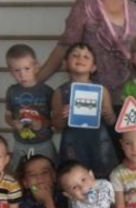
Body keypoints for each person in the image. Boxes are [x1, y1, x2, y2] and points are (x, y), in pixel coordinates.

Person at [38, 0, 136, 124]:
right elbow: (65, 46)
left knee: (129, 141)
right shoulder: (85, 5)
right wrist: (36, 80)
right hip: (92, 94)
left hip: (131, 94)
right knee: (98, 140)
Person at [51, 43, 119, 179]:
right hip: (72, 146)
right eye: (75, 55)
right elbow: (57, 126)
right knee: (74, 180)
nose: (80, 58)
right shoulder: (60, 92)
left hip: (99, 144)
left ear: (93, 67)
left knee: (104, 181)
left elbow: (112, 121)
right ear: (65, 63)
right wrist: (63, 116)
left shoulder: (102, 91)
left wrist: (108, 114)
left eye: (86, 57)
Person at [4, 44, 57, 172]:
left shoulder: (47, 91)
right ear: (10, 71)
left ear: (36, 67)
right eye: (17, 70)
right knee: (19, 172)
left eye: (27, 68)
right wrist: (13, 123)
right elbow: (7, 115)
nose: (22, 74)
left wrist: (42, 124)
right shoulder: (11, 91)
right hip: (20, 143)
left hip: (44, 142)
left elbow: (56, 120)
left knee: (49, 171)